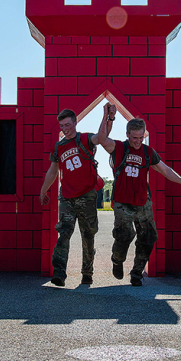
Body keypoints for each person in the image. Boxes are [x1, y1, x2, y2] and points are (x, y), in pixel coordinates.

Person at [97, 103, 181, 286]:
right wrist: (107, 117)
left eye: (141, 137)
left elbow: (166, 170)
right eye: (134, 137)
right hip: (122, 203)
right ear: (127, 134)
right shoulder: (118, 148)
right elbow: (102, 139)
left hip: (143, 202)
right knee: (125, 235)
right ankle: (117, 260)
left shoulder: (148, 152)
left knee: (148, 236)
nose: (138, 141)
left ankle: (136, 273)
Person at [39, 108, 113, 286]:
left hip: (87, 196)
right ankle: (59, 273)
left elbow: (101, 137)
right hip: (66, 197)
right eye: (62, 126)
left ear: (75, 122)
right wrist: (43, 190)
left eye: (67, 124)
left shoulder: (85, 139)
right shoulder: (59, 147)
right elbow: (53, 170)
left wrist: (107, 117)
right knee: (64, 233)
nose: (65, 128)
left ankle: (87, 272)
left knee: (88, 235)